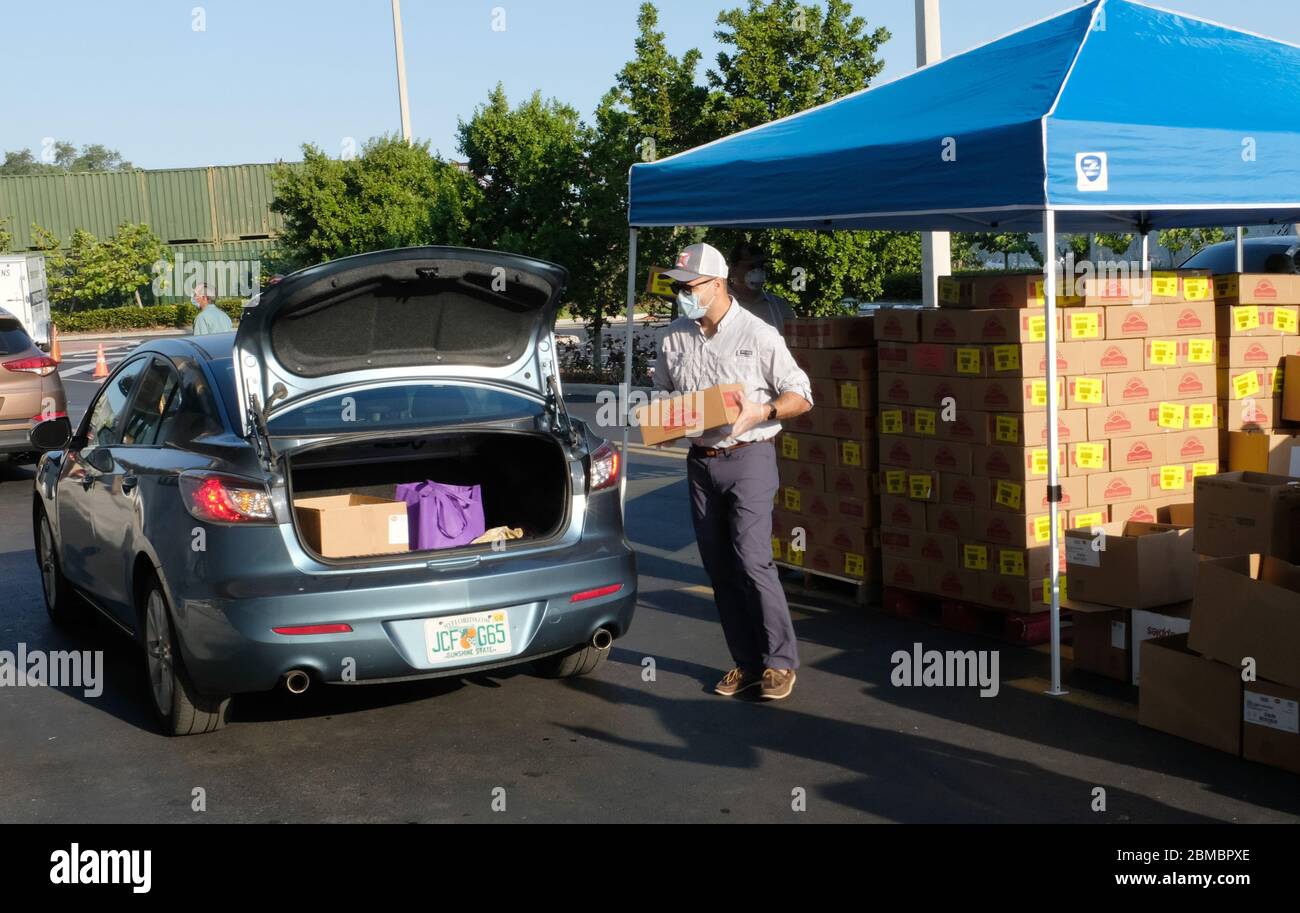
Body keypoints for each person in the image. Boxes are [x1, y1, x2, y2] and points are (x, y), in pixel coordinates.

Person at [655, 242, 814, 701]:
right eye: (678, 285)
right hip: (701, 464)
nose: (682, 293)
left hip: (749, 457)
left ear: (717, 284)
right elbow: (663, 400)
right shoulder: (674, 338)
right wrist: (661, 423)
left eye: (690, 285)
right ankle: (746, 663)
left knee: (751, 559)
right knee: (720, 568)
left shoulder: (758, 334)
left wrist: (763, 410)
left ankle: (779, 662)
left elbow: (801, 395)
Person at [728, 240, 796, 330]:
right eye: (752, 266)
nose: (758, 271)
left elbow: (794, 340)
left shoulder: (779, 306)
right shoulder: (719, 303)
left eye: (761, 266)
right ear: (733, 269)